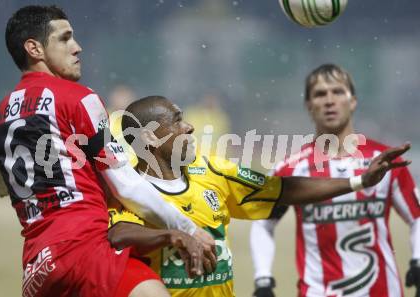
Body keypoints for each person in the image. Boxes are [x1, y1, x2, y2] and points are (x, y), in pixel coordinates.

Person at [0, 5, 216, 297]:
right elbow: (125, 183)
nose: (77, 47)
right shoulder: (79, 98)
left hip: (38, 268)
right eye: (65, 38)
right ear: (34, 48)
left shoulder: (2, 115)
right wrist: (188, 228)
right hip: (86, 251)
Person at [107, 95, 410, 297]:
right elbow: (118, 233)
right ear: (149, 137)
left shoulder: (211, 169)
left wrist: (359, 181)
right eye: (176, 120)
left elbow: (281, 189)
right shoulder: (129, 188)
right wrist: (171, 236)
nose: (189, 126)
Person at [250, 64, 420, 297]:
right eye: (320, 94)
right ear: (309, 106)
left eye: (338, 92)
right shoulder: (291, 168)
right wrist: (263, 279)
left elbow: (417, 217)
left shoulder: (384, 161)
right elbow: (262, 222)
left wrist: (418, 260)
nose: (329, 100)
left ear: (353, 101)